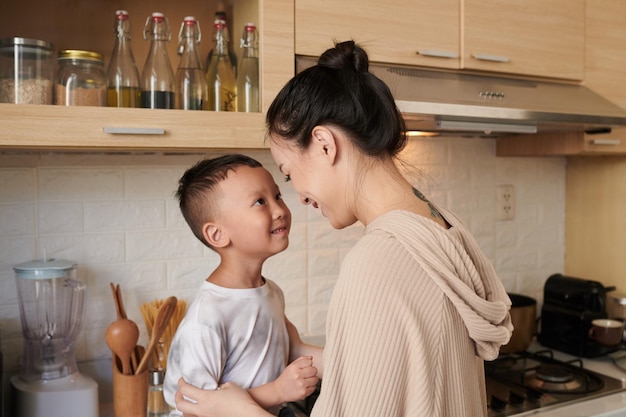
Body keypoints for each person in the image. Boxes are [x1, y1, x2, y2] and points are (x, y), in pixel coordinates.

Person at [174, 41, 513, 417]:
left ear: (323, 144)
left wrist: (238, 409)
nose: (298, 197)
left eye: (288, 174)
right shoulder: (442, 226)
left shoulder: (375, 264)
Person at [164, 154, 323, 415]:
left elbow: (293, 348)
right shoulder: (207, 318)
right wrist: (278, 391)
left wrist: (358, 362)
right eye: (260, 201)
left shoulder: (270, 292)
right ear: (217, 234)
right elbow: (197, 407)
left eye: (277, 195)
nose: (280, 209)